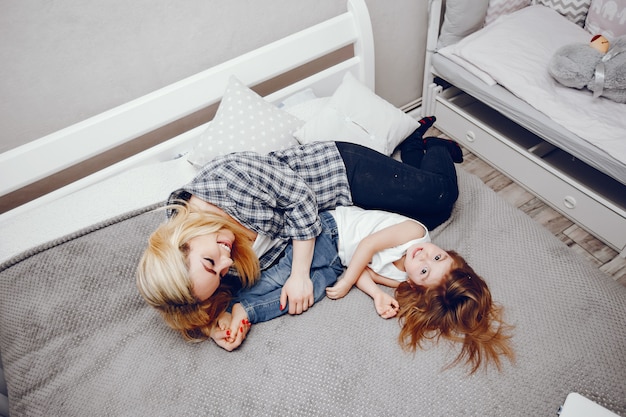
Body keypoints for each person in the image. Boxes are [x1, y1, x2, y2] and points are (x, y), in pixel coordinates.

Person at [136, 116, 462, 341]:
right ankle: (414, 153)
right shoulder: (201, 265)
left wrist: (299, 275)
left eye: (211, 262)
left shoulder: (227, 179)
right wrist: (214, 327)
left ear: (183, 240)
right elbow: (204, 294)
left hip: (338, 175)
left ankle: (430, 146)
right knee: (416, 228)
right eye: (221, 272)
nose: (226, 263)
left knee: (440, 202)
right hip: (341, 215)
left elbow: (302, 202)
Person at [220, 205, 514, 373]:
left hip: (341, 261)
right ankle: (224, 301)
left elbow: (361, 270)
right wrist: (348, 282)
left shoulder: (402, 280)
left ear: (415, 283)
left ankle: (247, 310)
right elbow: (367, 246)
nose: (424, 256)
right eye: (439, 256)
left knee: (310, 293)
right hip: (332, 231)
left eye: (425, 270)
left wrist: (376, 295)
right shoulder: (415, 232)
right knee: (283, 276)